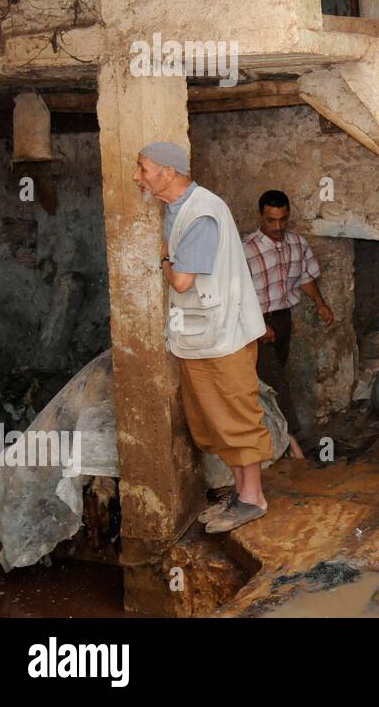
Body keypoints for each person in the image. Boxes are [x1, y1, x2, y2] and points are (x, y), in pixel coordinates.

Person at [132, 142, 271, 533]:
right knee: (215, 420)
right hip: (202, 334)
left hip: (222, 336)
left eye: (142, 168)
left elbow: (180, 279)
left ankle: (253, 499)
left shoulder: (202, 214)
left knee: (237, 418)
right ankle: (242, 492)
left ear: (168, 173)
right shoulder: (178, 209)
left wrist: (163, 258)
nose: (136, 177)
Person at [242, 190, 334, 458]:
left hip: (283, 319)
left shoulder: (297, 243)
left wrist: (320, 303)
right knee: (277, 382)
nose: (278, 227)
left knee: (272, 381)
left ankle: (273, 438)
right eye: (271, 221)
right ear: (261, 216)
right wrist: (258, 324)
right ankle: (294, 443)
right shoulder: (246, 249)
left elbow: (305, 277)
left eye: (283, 220)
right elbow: (239, 292)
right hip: (257, 323)